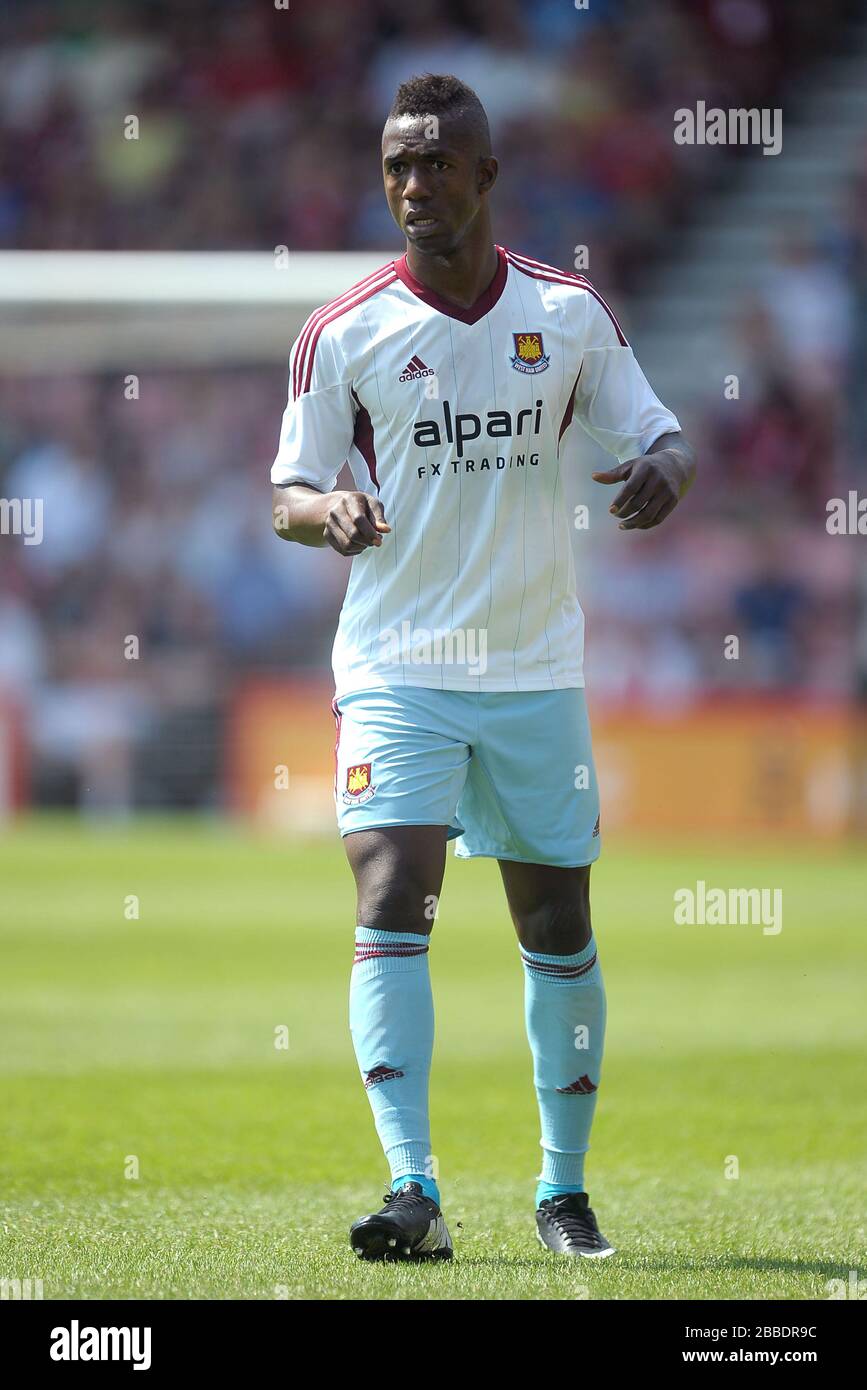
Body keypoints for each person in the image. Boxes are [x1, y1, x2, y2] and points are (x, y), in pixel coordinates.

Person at [272, 73, 695, 1262]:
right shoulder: (343, 331)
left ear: (487, 176)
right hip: (399, 661)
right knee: (389, 897)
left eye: (438, 164)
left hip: (532, 667)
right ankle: (413, 1190)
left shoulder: (566, 316)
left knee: (555, 922)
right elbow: (285, 496)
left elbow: (659, 429)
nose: (414, 185)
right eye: (398, 165)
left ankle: (564, 1191)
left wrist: (674, 462)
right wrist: (329, 511)